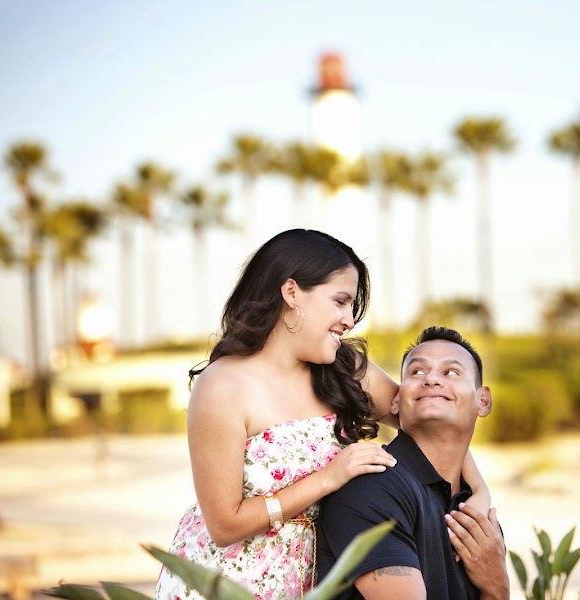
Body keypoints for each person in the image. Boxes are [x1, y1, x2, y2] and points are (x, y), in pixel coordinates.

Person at [154, 230, 490, 600]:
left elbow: (430, 416)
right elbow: (224, 523)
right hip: (227, 581)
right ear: (292, 293)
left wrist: (479, 490)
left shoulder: (346, 369)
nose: (349, 320)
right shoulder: (223, 386)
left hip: (313, 580)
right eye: (340, 301)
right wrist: (329, 478)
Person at [315, 326, 510, 600]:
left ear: (483, 400)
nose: (431, 379)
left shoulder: (477, 516)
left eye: (450, 372)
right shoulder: (373, 486)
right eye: (416, 372)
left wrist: (496, 585)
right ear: (395, 401)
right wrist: (498, 587)